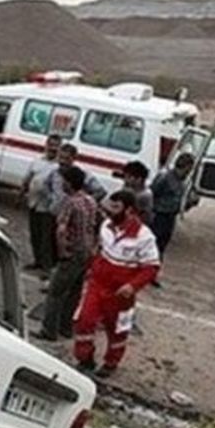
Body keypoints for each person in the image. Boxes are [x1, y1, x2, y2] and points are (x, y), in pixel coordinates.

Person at [72, 190, 160, 378]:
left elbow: (151, 267)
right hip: (97, 286)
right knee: (84, 321)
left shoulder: (144, 237)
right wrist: (92, 269)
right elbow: (100, 251)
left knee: (117, 330)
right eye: (110, 206)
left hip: (120, 294)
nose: (110, 211)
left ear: (129, 210)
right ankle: (85, 359)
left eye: (116, 207)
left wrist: (132, 286)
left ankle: (111, 362)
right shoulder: (106, 226)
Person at [37, 166, 98, 341]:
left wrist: (63, 250)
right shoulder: (90, 201)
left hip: (73, 251)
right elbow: (92, 227)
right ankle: (66, 326)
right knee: (75, 291)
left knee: (56, 292)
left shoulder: (70, 202)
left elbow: (61, 229)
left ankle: (49, 330)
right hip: (86, 252)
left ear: (69, 183)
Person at [148, 153, 195, 286]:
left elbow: (179, 201)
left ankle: (153, 274)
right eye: (188, 169)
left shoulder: (181, 182)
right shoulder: (165, 178)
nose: (188, 172)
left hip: (170, 217)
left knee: (162, 247)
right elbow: (153, 194)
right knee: (152, 245)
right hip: (159, 216)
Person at [20, 134, 62, 272]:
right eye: (51, 144)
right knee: (35, 234)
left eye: (56, 145)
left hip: (48, 207)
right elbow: (28, 178)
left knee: (47, 237)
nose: (53, 148)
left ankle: (47, 266)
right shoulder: (37, 160)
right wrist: (22, 192)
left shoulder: (59, 166)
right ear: (46, 145)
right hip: (34, 202)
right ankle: (37, 261)